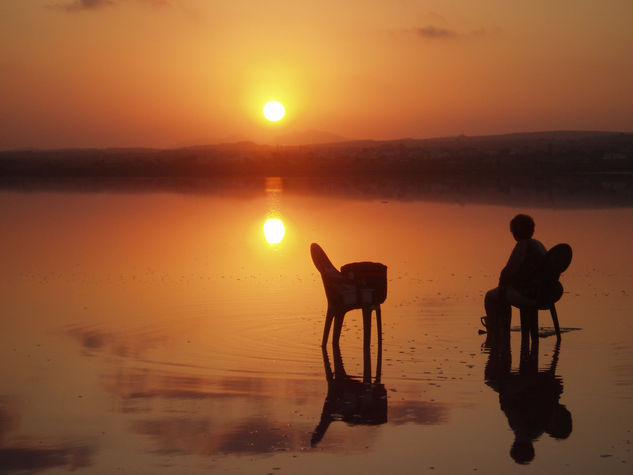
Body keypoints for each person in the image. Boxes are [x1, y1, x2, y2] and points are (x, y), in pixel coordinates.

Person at [483, 214, 546, 344]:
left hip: (526, 294)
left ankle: (500, 332)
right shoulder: (539, 244)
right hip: (542, 292)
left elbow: (508, 272)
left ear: (515, 232)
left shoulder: (522, 245)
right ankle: (503, 332)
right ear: (532, 230)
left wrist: (502, 285)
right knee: (503, 292)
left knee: (491, 296)